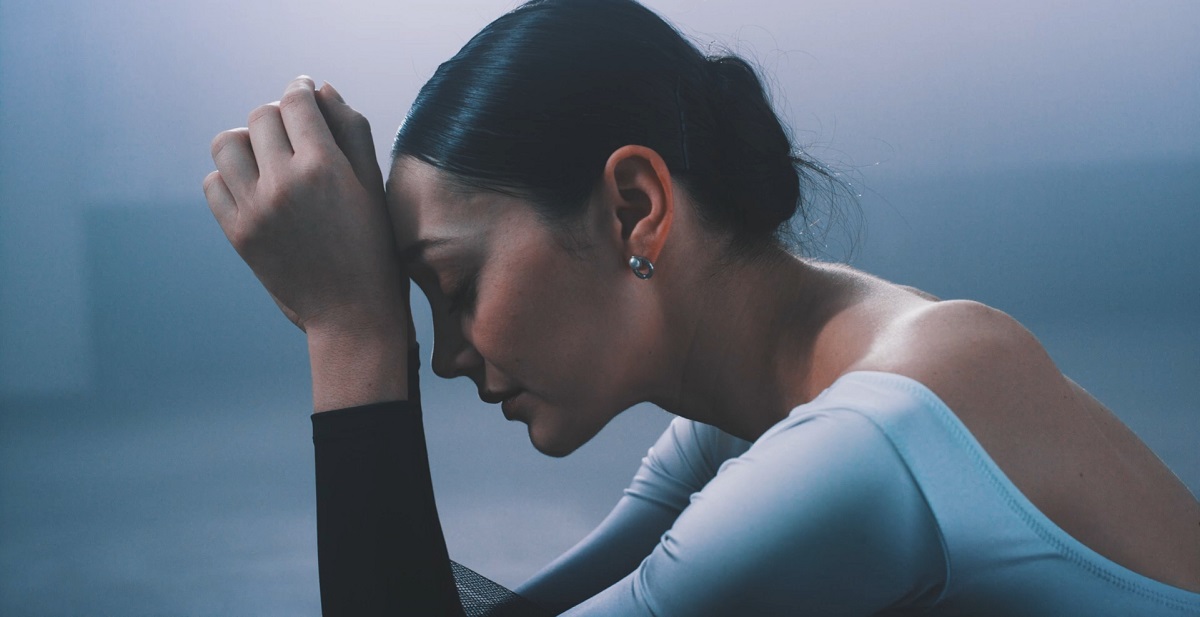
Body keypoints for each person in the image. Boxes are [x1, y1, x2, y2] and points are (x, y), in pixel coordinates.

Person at [202, 0, 1200, 614]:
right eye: (421, 309)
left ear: (635, 205)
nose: (447, 356)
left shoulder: (865, 446)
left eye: (454, 287)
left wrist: (351, 335)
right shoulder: (751, 423)